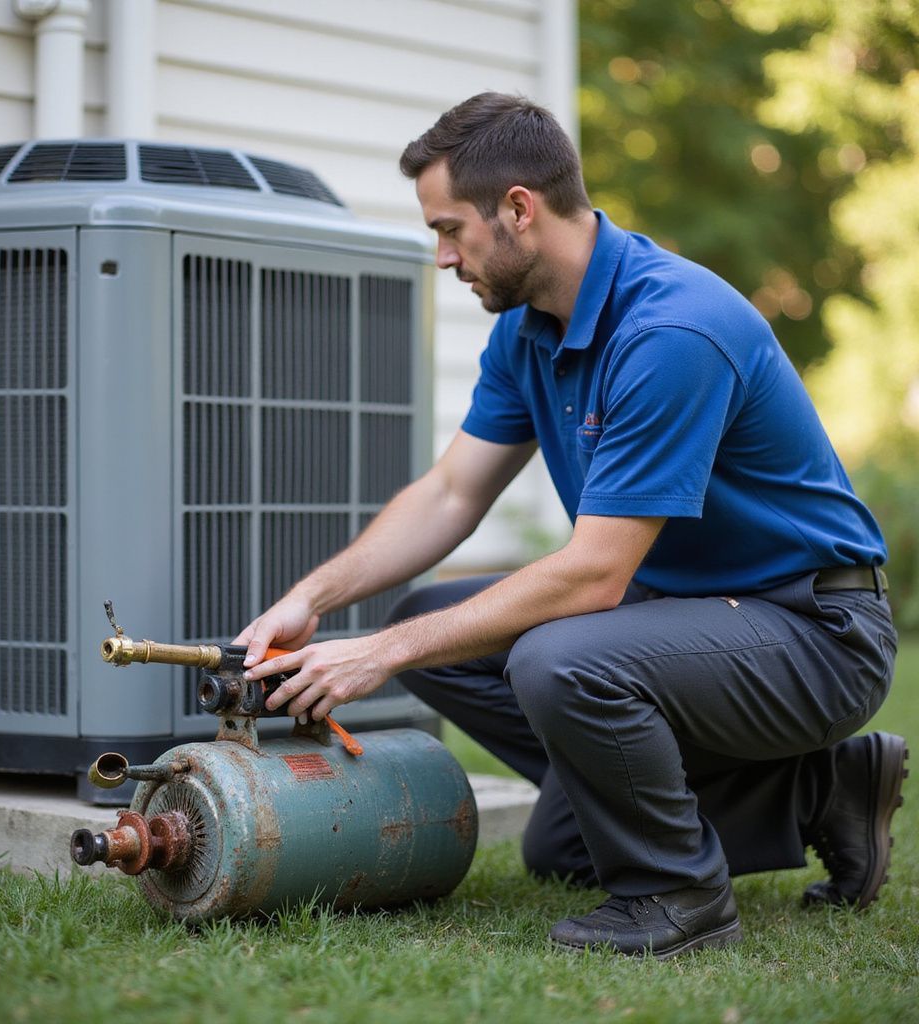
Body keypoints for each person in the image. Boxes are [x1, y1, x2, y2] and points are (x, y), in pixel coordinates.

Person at [236, 92, 906, 959]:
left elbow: (595, 576)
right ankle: (820, 792)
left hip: (815, 632)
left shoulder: (672, 330)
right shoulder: (528, 329)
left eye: (451, 231)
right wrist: (313, 599)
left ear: (518, 209)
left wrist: (377, 660)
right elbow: (450, 494)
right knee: (554, 827)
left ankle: (679, 900)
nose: (442, 257)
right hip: (688, 617)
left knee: (557, 658)